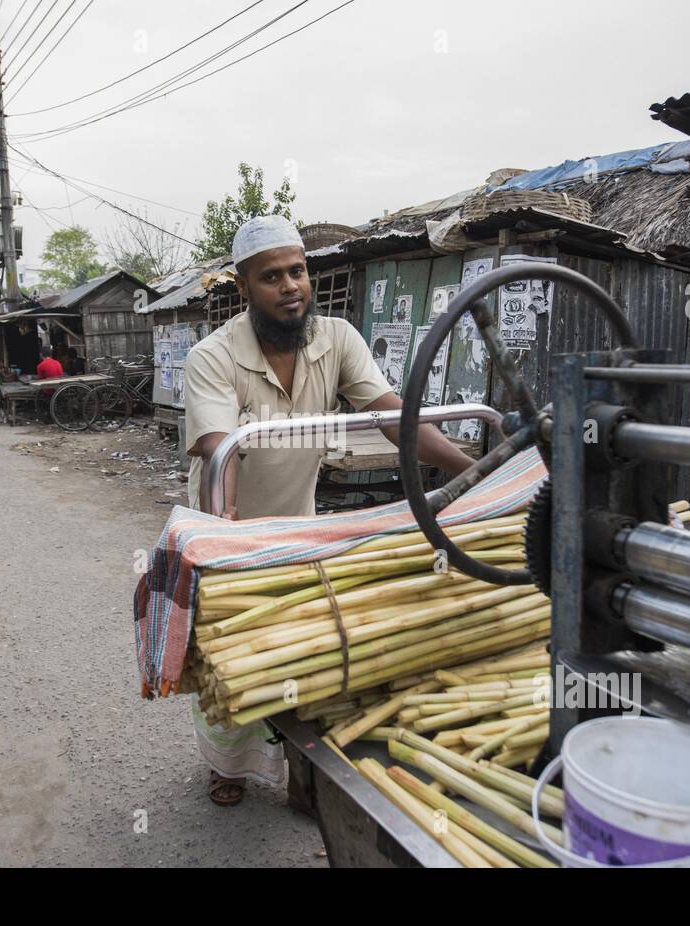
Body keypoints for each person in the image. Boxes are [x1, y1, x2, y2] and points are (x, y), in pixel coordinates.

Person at [183, 215, 477, 808]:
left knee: (301, 646)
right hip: (230, 523)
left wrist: (467, 468)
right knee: (231, 648)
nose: (290, 286)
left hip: (301, 522)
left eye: (298, 271)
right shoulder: (212, 357)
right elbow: (221, 447)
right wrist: (232, 539)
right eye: (272, 277)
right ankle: (229, 766)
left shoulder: (337, 338)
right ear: (244, 287)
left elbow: (392, 414)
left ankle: (302, 772)